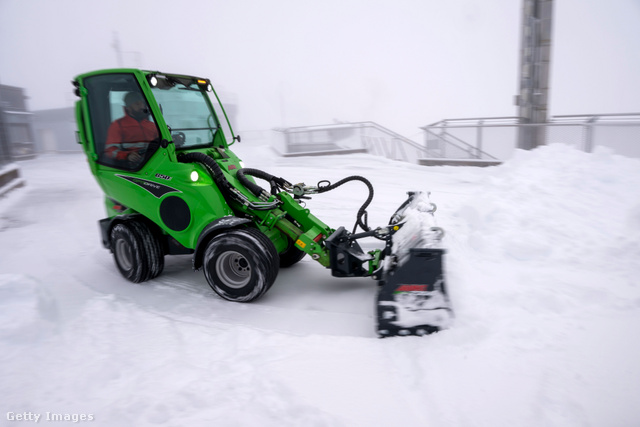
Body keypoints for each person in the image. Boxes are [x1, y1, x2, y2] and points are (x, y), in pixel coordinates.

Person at [105, 91, 159, 163]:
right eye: (137, 104)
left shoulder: (151, 125)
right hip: (132, 166)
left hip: (152, 162)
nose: (142, 107)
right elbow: (110, 150)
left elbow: (160, 141)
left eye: (143, 103)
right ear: (128, 107)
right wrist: (127, 155)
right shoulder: (118, 125)